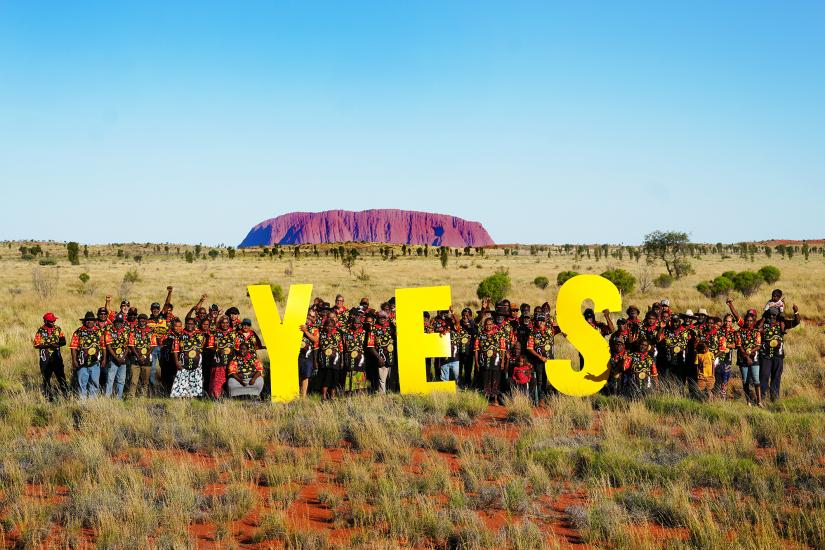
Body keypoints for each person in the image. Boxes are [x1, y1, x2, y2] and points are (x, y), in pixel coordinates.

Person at [33, 312, 68, 401]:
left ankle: (66, 395)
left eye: (54, 320)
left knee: (61, 377)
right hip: (45, 359)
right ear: (45, 321)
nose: (53, 322)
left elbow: (64, 342)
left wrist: (57, 344)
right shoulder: (40, 331)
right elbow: (36, 345)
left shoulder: (58, 329)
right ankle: (48, 398)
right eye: (51, 321)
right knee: (46, 379)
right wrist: (48, 346)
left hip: (57, 358)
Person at [70, 312, 106, 399]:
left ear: (94, 321)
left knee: (94, 382)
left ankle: (92, 402)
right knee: (82, 382)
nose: (89, 322)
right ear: (84, 321)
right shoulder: (78, 332)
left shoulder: (99, 331)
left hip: (95, 362)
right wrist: (74, 360)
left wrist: (104, 359)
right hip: (82, 362)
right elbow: (73, 347)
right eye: (87, 320)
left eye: (91, 320)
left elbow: (103, 346)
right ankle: (82, 402)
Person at [525, 312, 557, 403]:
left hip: (550, 361)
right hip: (539, 361)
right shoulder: (532, 333)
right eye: (539, 320)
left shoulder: (550, 330)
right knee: (540, 380)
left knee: (550, 379)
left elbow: (561, 331)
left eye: (542, 321)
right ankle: (541, 399)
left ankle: (550, 398)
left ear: (545, 321)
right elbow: (530, 348)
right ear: (536, 321)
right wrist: (540, 357)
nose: (541, 322)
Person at [170, 317, 205, 398]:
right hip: (183, 362)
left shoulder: (199, 334)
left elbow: (202, 346)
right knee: (182, 379)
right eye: (188, 324)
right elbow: (175, 350)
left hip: (197, 363)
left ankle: (195, 396)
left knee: (196, 378)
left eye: (191, 324)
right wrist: (176, 362)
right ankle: (181, 396)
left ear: (194, 325)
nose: (189, 325)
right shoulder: (180, 335)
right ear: (185, 324)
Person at [474, 317, 507, 404]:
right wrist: (476, 362)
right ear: (484, 325)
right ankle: (486, 399)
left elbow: (503, 349)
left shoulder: (499, 334)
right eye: (486, 324)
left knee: (496, 379)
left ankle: (495, 399)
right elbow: (476, 350)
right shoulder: (480, 335)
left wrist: (503, 361)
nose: (488, 326)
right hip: (484, 361)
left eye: (490, 324)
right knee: (486, 379)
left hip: (496, 361)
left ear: (493, 325)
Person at [735, 309, 763, 406]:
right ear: (745, 320)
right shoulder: (739, 332)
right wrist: (747, 357)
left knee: (756, 380)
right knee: (745, 380)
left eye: (751, 321)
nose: (749, 322)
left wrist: (751, 352)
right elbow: (739, 346)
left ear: (753, 321)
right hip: (743, 359)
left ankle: (759, 401)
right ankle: (748, 401)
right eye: (747, 320)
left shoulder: (756, 332)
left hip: (754, 359)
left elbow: (758, 345)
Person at [128, 314, 157, 398]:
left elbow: (153, 345)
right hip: (135, 359)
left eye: (144, 321)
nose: (142, 323)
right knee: (133, 380)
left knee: (145, 381)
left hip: (147, 360)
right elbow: (131, 345)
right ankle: (131, 396)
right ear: (138, 321)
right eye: (140, 321)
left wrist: (144, 357)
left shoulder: (151, 332)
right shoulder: (133, 331)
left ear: (147, 321)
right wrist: (138, 357)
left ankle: (143, 397)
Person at [208, 316, 236, 399]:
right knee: (217, 380)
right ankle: (215, 397)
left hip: (231, 361)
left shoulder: (234, 333)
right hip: (218, 362)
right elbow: (210, 346)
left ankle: (229, 397)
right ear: (220, 323)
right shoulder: (214, 333)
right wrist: (217, 350)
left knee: (230, 379)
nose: (225, 324)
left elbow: (238, 347)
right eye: (223, 323)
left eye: (227, 323)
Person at [367, 311, 395, 394]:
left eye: (384, 318)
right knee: (382, 379)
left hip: (392, 356)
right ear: (377, 318)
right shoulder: (373, 329)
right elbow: (370, 346)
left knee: (391, 378)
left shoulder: (391, 327)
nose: (382, 319)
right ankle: (382, 396)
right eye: (380, 318)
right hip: (381, 357)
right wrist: (378, 358)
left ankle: (391, 394)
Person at [343, 309, 370, 394]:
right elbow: (345, 344)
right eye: (354, 323)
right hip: (350, 356)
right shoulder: (348, 332)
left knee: (360, 372)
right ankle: (350, 392)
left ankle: (360, 392)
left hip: (360, 356)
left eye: (358, 323)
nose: (356, 325)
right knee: (350, 372)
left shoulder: (364, 333)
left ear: (361, 324)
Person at [103, 314, 130, 398]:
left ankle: (119, 398)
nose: (119, 324)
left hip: (123, 359)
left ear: (123, 323)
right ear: (114, 322)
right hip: (113, 359)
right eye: (117, 322)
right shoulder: (109, 331)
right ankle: (107, 398)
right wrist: (117, 358)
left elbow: (128, 346)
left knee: (121, 380)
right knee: (110, 379)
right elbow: (108, 346)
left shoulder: (126, 332)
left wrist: (122, 357)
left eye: (120, 322)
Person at [317, 318, 343, 399]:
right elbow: (319, 347)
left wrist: (342, 361)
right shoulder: (321, 334)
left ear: (334, 326)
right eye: (328, 326)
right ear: (325, 326)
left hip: (335, 360)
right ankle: (324, 396)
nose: (330, 328)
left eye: (332, 326)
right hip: (324, 360)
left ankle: (332, 396)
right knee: (325, 378)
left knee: (334, 378)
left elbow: (341, 348)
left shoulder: (338, 334)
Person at [298, 310, 320, 397]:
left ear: (315, 319)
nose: (310, 317)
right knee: (297, 375)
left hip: (307, 356)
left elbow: (315, 340)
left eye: (313, 316)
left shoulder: (314, 329)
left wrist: (306, 331)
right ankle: (296, 393)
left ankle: (303, 396)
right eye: (309, 315)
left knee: (305, 376)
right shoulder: (299, 325)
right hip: (297, 355)